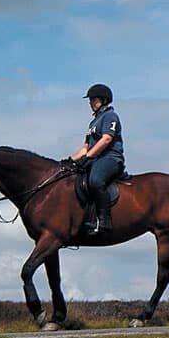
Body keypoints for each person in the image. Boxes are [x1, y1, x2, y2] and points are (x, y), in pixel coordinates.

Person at [63, 83, 124, 236]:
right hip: (95, 159)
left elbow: (106, 139)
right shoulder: (94, 122)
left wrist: (88, 157)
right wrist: (71, 160)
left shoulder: (110, 116)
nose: (90, 103)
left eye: (93, 99)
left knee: (95, 180)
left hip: (110, 158)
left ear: (104, 100)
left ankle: (104, 221)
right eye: (90, 100)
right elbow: (85, 147)